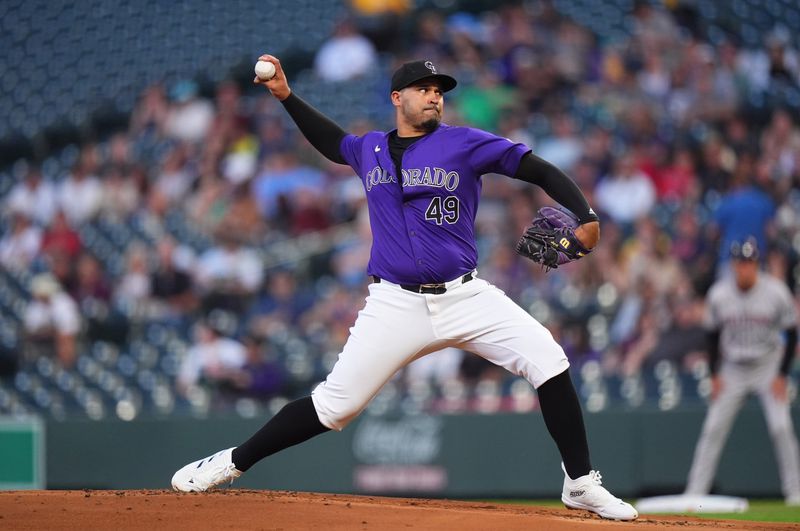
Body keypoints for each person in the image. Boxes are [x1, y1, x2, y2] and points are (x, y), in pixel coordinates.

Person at [171, 55, 638, 521]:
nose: (435, 95)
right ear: (398, 98)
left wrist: (586, 215)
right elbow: (334, 143)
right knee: (335, 407)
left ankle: (580, 484)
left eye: (440, 90)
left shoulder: (465, 144)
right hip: (394, 303)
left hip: (465, 295)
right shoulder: (369, 149)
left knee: (549, 361)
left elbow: (536, 168)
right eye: (424, 88)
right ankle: (230, 463)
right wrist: (286, 97)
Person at [684, 238, 800, 505]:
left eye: (749, 262)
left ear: (756, 264)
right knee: (713, 428)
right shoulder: (720, 294)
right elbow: (712, 336)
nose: (744, 268)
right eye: (740, 262)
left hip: (767, 366)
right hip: (733, 368)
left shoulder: (776, 292)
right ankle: (695, 492)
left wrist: (782, 375)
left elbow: (791, 334)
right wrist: (714, 374)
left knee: (781, 427)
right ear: (734, 264)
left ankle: (795, 493)